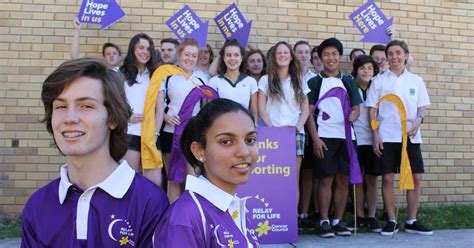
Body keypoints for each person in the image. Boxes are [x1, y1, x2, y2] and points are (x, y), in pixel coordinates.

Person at [21, 58, 169, 247]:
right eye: (60, 106)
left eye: (86, 106)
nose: (70, 118)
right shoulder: (38, 206)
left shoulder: (150, 203)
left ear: (112, 118)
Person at [154, 98, 260, 247]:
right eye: (226, 141)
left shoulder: (233, 206)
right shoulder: (185, 218)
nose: (244, 152)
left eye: (250, 140)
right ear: (199, 151)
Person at [366, 40, 432, 236]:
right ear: (386, 58)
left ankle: (412, 220)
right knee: (387, 178)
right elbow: (372, 109)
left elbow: (423, 107)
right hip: (386, 135)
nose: (394, 57)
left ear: (405, 55)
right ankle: (392, 220)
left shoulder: (416, 80)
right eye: (391, 54)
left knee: (415, 178)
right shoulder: (379, 80)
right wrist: (375, 133)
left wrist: (419, 121)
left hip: (410, 137)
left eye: (398, 53)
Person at [306, 38, 362, 238]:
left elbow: (356, 108)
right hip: (325, 137)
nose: (331, 58)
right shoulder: (314, 82)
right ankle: (324, 220)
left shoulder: (348, 81)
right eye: (326, 54)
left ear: (339, 57)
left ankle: (338, 220)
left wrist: (355, 114)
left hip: (347, 138)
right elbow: (309, 113)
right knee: (325, 179)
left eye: (334, 54)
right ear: (320, 58)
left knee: (342, 179)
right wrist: (316, 139)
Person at [258, 41, 310, 207]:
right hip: (272, 134)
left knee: (292, 178)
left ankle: (291, 219)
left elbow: (305, 108)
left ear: (291, 56)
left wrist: (298, 126)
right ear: (274, 56)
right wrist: (272, 130)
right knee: (273, 177)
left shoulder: (299, 80)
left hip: (294, 134)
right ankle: (275, 218)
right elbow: (261, 108)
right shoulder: (266, 80)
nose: (282, 55)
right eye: (279, 53)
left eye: (285, 53)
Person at [157, 38, 206, 202]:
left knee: (192, 178)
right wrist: (166, 116)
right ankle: (172, 217)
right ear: (179, 55)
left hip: (193, 136)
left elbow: (206, 110)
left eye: (194, 56)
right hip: (170, 134)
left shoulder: (202, 80)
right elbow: (158, 107)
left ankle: (191, 217)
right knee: (173, 179)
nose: (190, 59)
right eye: (187, 54)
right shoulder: (167, 77)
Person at [121, 33, 162, 186]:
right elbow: (112, 103)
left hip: (150, 136)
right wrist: (125, 118)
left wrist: (156, 133)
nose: (145, 52)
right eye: (141, 48)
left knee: (154, 185)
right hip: (129, 133)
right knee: (128, 182)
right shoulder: (120, 74)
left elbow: (159, 109)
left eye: (148, 49)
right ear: (133, 49)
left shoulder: (155, 76)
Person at [347, 55, 382, 233]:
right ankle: (359, 216)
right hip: (356, 139)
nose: (366, 71)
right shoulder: (350, 86)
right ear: (356, 70)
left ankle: (372, 216)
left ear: (374, 70)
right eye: (362, 68)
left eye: (369, 67)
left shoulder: (378, 87)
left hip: (374, 139)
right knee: (357, 180)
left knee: (372, 179)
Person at [293, 40, 317, 230]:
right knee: (292, 175)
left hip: (312, 130)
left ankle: (304, 213)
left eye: (306, 52)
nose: (303, 55)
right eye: (299, 52)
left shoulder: (314, 77)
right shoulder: (289, 75)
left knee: (307, 173)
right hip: (296, 130)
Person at [208, 39, 258, 124]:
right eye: (228, 55)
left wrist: (254, 126)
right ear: (223, 58)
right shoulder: (214, 81)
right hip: (222, 126)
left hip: (243, 126)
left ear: (241, 58)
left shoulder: (251, 81)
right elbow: (210, 109)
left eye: (236, 55)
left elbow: (254, 111)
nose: (232, 58)